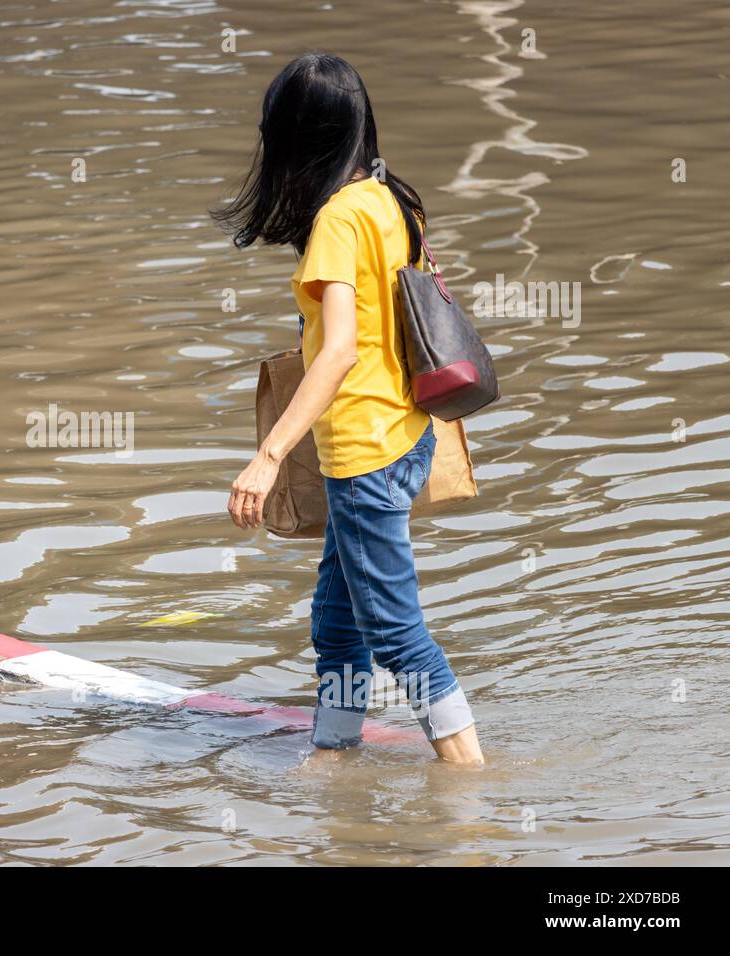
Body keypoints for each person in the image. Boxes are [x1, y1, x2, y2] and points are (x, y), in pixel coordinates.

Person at [214, 53, 484, 764]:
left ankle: (470, 781)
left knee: (396, 634)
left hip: (365, 452)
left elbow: (337, 352)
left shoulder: (337, 220)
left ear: (299, 140)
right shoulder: (390, 198)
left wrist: (267, 456)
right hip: (408, 434)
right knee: (337, 627)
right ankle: (334, 756)